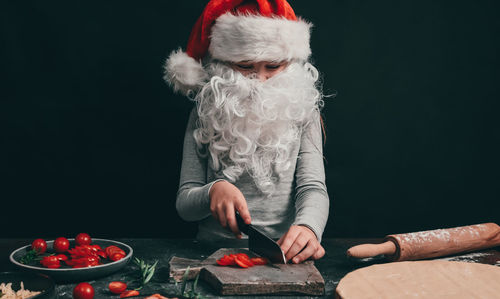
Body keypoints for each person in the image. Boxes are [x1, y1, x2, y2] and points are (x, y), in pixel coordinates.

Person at [164, 0, 329, 264]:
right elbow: (185, 204)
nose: (259, 80)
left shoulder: (303, 111)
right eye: (244, 66)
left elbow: (312, 187)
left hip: (282, 254)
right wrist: (213, 191)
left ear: (290, 62)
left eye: (273, 67)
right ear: (224, 63)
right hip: (210, 255)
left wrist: (309, 228)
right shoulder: (204, 112)